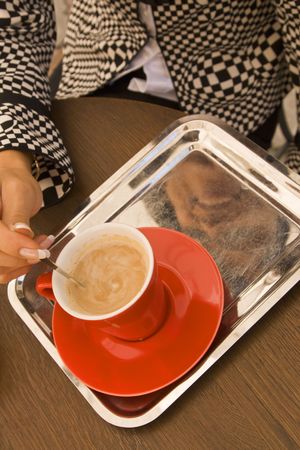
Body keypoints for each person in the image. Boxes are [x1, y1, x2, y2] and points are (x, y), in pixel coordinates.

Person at [0, 0, 299, 283]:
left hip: (234, 94)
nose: (209, 225)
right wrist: (10, 158)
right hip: (94, 66)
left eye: (203, 237)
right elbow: (14, 23)